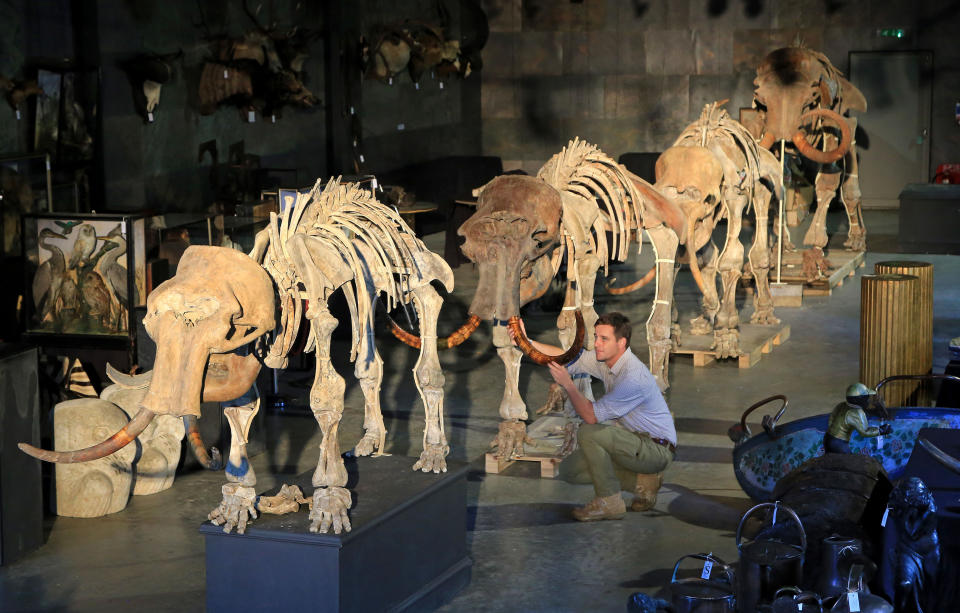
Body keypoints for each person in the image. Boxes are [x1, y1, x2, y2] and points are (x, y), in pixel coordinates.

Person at [511, 311, 677, 521]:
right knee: (571, 470)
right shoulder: (605, 361)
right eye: (596, 337)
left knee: (589, 432)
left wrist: (568, 384)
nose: (597, 343)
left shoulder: (633, 377)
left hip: (656, 450)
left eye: (604, 339)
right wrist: (526, 341)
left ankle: (610, 501)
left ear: (621, 343)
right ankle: (642, 483)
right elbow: (564, 358)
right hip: (634, 443)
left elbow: (590, 417)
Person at [824, 382, 892, 454]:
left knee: (832, 462)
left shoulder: (842, 405)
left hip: (828, 438)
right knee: (849, 463)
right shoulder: (857, 412)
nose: (868, 400)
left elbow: (831, 421)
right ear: (859, 399)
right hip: (839, 443)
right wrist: (881, 430)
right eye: (867, 397)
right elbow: (865, 432)